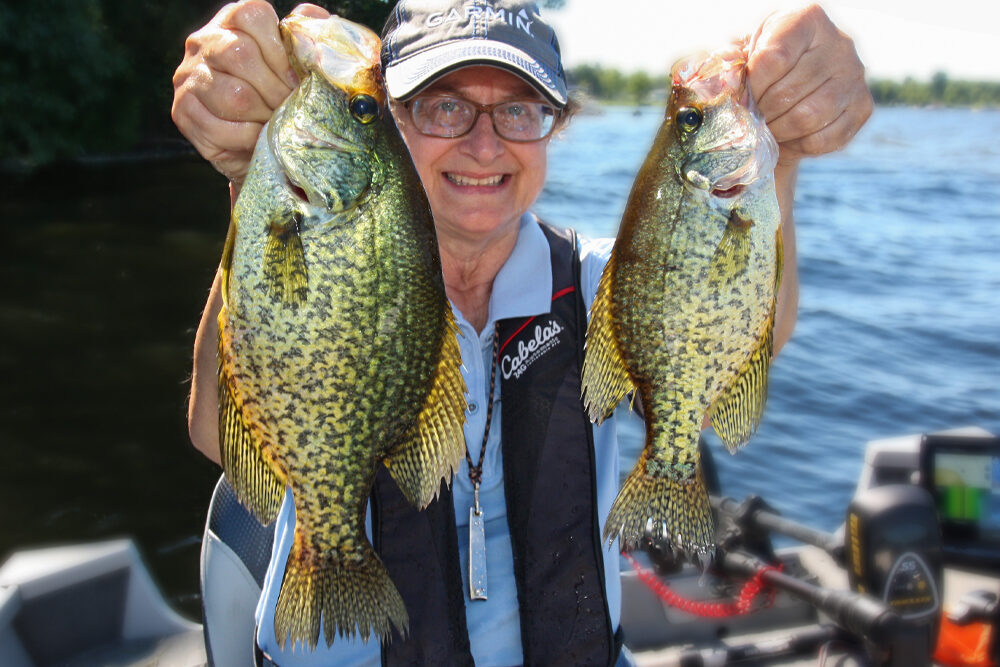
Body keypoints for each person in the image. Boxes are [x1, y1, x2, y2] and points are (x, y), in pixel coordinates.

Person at [173, 1, 872, 665]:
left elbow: (741, 332)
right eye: (444, 106)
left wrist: (780, 153)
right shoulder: (329, 259)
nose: (484, 145)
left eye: (518, 110)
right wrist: (250, 181)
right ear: (392, 119)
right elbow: (215, 434)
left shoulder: (602, 282)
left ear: (553, 129)